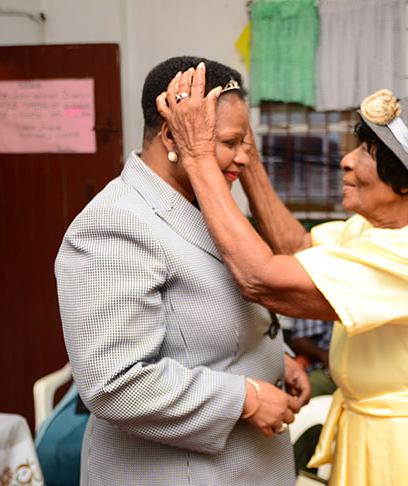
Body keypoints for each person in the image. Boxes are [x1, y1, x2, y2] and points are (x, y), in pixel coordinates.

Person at [156, 66, 408, 485]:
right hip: (384, 438)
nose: (347, 160)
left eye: (367, 154)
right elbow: (296, 250)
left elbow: (262, 279)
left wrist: (198, 157)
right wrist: (245, 158)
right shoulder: (382, 227)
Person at [54, 56, 310, 486]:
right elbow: (115, 382)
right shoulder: (115, 223)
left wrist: (274, 360)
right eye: (231, 141)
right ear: (175, 134)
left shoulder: (205, 204)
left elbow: (203, 325)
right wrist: (245, 398)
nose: (245, 158)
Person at [289, 318, 336, 398]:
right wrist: (325, 357)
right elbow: (299, 340)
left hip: (358, 369)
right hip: (325, 369)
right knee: (304, 392)